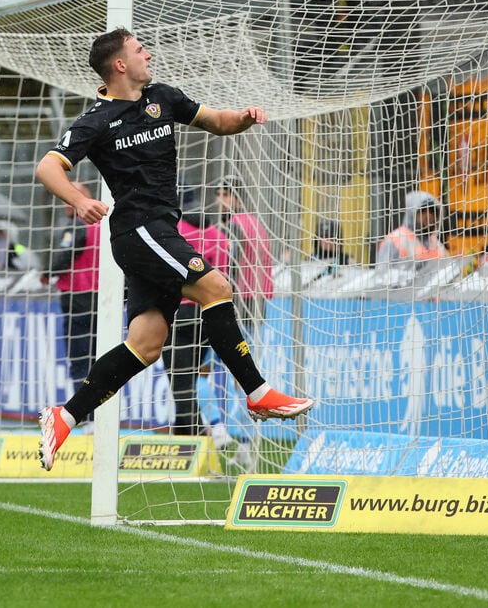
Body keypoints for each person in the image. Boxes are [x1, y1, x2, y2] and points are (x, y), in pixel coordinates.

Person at [34, 27, 313, 471]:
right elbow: (48, 165)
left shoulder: (163, 96)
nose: (148, 53)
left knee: (146, 345)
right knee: (217, 286)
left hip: (160, 229)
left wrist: (242, 117)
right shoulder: (96, 120)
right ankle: (259, 393)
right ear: (120, 65)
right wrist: (80, 199)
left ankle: (65, 416)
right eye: (139, 49)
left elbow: (217, 122)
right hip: (139, 230)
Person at [163, 191, 229, 436]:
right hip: (209, 311)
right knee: (191, 375)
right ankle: (186, 431)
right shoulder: (218, 234)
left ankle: (195, 434)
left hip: (179, 310)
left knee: (179, 379)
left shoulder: (172, 230)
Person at [42, 180, 100, 393]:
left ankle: (86, 414)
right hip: (103, 300)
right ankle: (100, 413)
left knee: (79, 358)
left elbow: (68, 252)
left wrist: (48, 273)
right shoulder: (105, 224)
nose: (66, 203)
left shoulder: (77, 224)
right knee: (99, 358)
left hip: (78, 298)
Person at [214, 175, 275, 325]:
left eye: (225, 195)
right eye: (218, 195)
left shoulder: (234, 225)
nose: (219, 201)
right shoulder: (254, 222)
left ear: (238, 198)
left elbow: (231, 264)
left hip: (239, 299)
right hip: (257, 298)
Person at [376, 189, 448, 268]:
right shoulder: (395, 240)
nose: (429, 216)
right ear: (412, 213)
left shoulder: (436, 244)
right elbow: (383, 274)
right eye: (423, 210)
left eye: (432, 211)